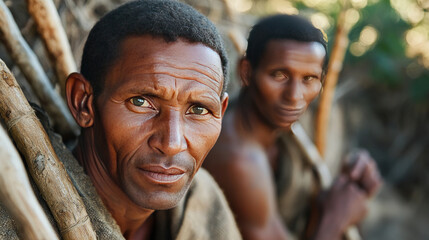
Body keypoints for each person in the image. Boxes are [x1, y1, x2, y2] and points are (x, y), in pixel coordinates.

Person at [0, 1, 241, 239]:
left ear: (221, 110)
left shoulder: (204, 206)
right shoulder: (13, 223)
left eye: (198, 110)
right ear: (83, 102)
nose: (172, 143)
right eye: (140, 102)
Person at [203, 14, 382, 240]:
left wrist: (346, 189)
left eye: (308, 78)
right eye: (279, 75)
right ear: (247, 72)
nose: (294, 96)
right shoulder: (237, 157)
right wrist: (335, 218)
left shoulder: (280, 131)